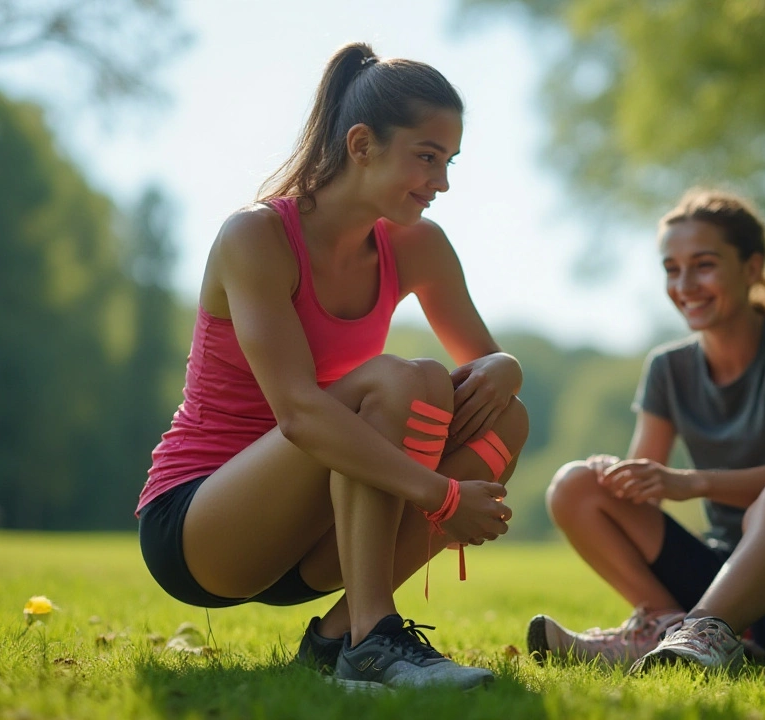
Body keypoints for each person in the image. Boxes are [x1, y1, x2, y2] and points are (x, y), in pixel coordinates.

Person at [135, 42, 528, 692]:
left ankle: (339, 637)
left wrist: (506, 365)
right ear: (361, 144)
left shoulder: (417, 246)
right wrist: (439, 495)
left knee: (502, 421)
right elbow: (299, 413)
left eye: (449, 161)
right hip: (204, 529)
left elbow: (484, 363)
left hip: (317, 541)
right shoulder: (255, 237)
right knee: (404, 379)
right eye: (427, 157)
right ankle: (375, 638)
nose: (443, 181)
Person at [527, 188, 765, 672]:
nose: (685, 285)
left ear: (750, 268)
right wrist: (618, 475)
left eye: (703, 265)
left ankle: (699, 633)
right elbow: (645, 495)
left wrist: (690, 482)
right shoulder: (667, 368)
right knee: (575, 484)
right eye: (672, 269)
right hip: (732, 584)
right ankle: (665, 626)